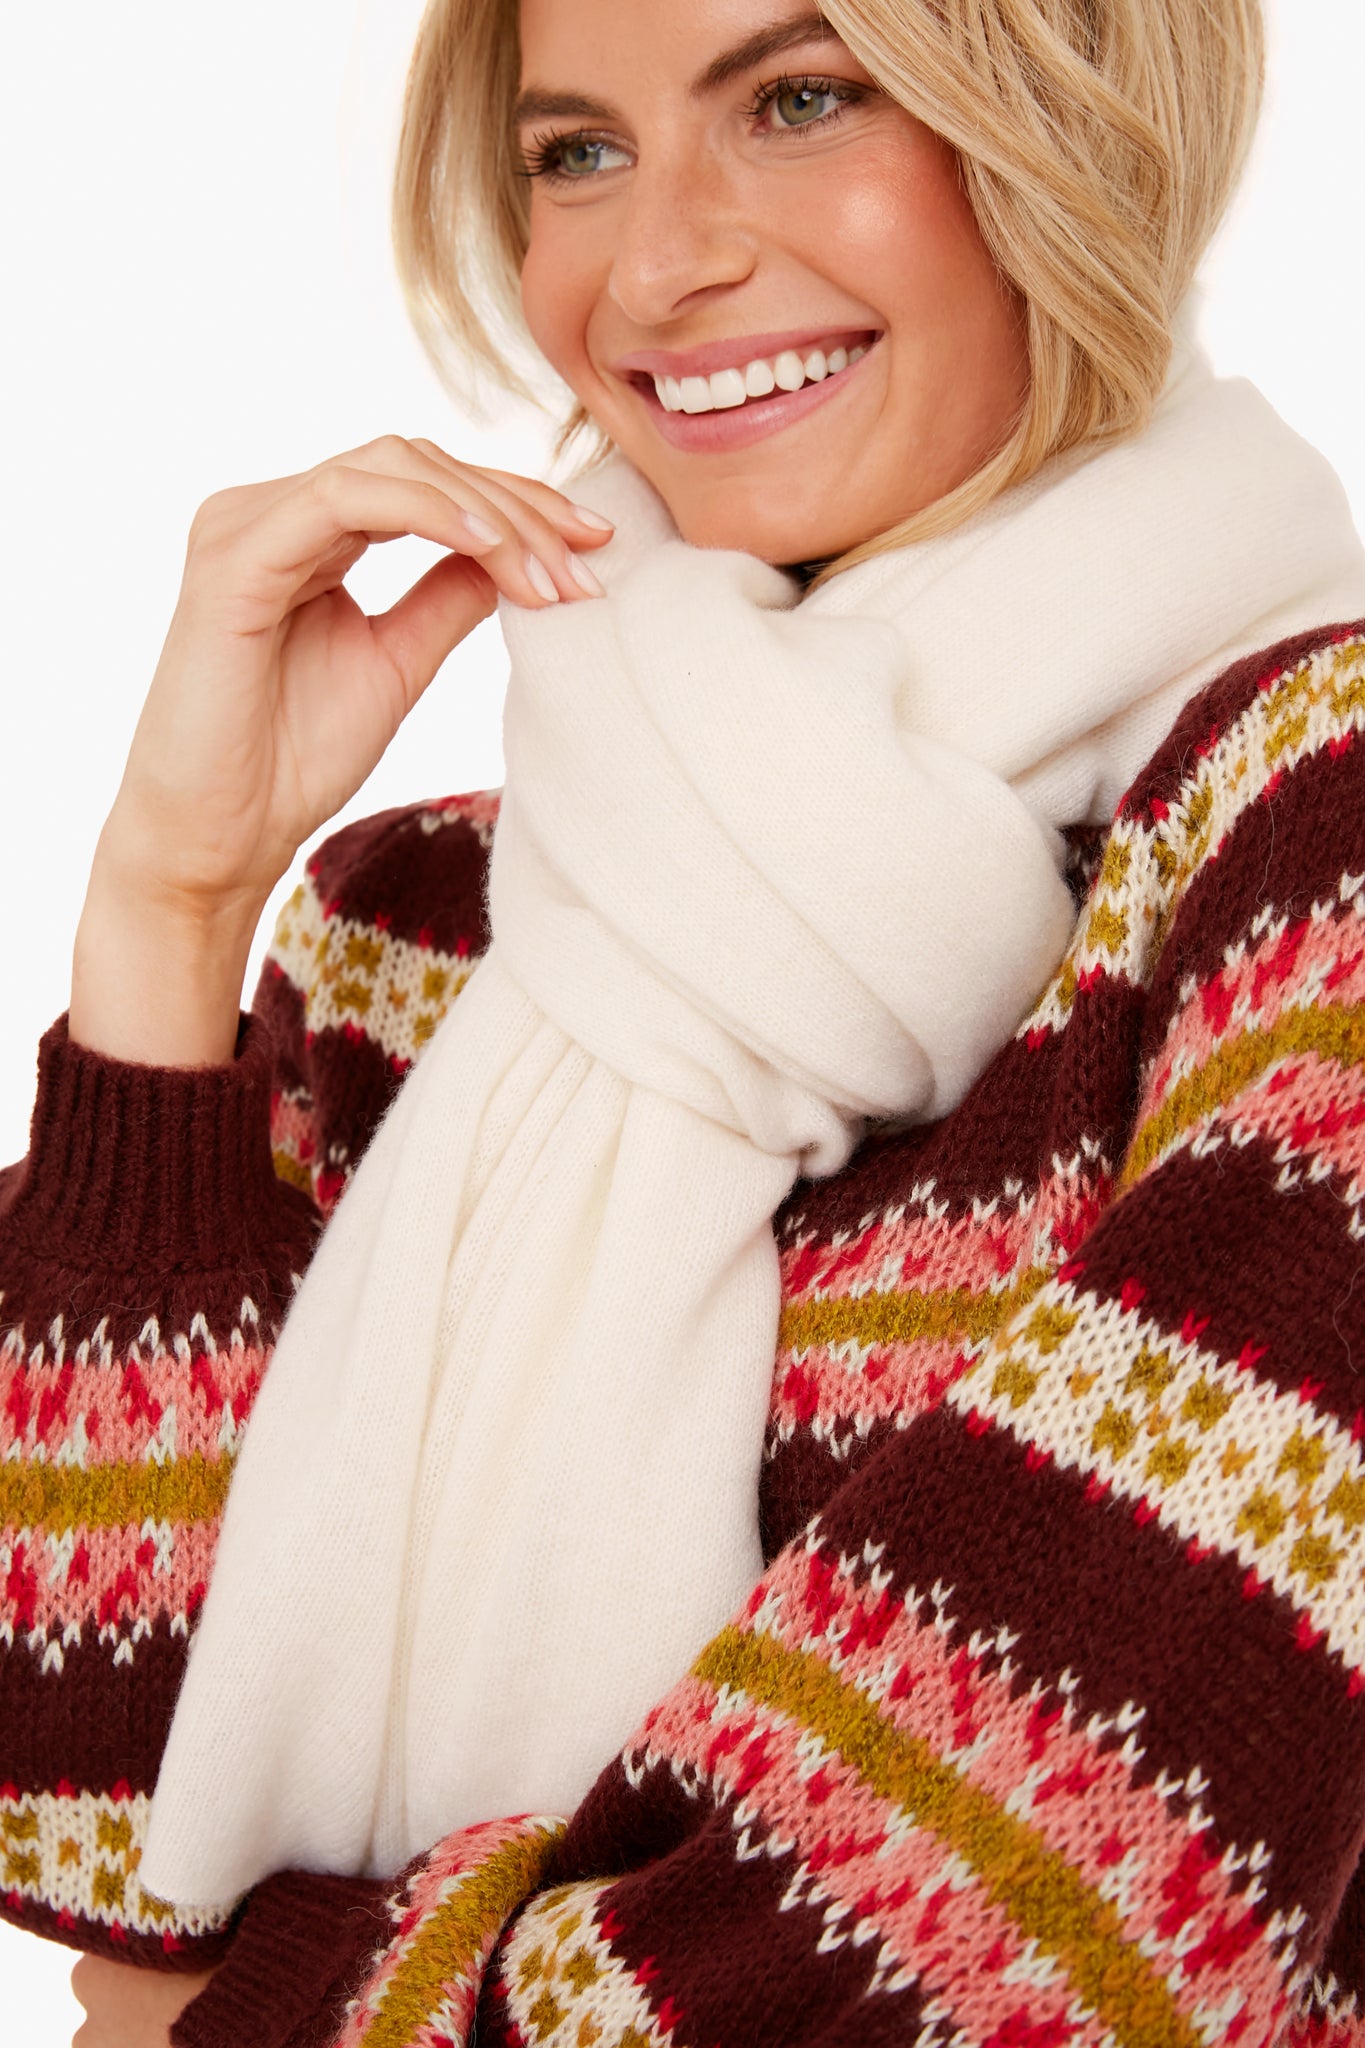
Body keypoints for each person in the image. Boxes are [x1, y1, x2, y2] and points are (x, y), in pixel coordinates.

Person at [4, 0, 1365, 2043]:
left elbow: (1046, 1917)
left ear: (1076, 130)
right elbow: (100, 1831)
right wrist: (169, 913)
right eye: (575, 154)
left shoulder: (1310, 835)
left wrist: (267, 2008)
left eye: (799, 100)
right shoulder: (419, 934)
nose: (650, 269)